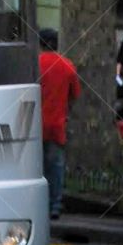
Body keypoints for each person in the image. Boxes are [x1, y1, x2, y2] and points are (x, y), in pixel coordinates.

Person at [38, 28, 81, 221]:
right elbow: (75, 94)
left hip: (35, 125)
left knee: (37, 167)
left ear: (40, 43)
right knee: (55, 166)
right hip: (57, 125)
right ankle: (55, 204)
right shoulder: (67, 65)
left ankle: (38, 204)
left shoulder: (34, 64)